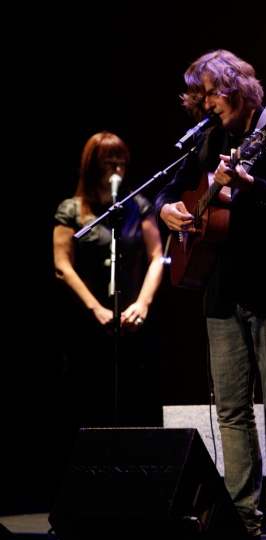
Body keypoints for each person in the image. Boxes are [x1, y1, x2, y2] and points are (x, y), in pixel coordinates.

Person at [154, 49, 266, 540]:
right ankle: (241, 519)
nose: (208, 103)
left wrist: (249, 186)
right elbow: (174, 185)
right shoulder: (208, 138)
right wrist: (167, 206)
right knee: (230, 412)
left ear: (240, 88)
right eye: (201, 95)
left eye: (214, 91)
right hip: (221, 289)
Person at [53, 130, 165, 440]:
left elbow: (158, 256)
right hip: (87, 322)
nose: (116, 170)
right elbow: (62, 265)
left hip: (131, 318)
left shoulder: (138, 206)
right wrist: (95, 309)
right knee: (89, 395)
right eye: (108, 163)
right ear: (92, 167)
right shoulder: (72, 210)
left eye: (121, 163)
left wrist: (142, 304)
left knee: (136, 395)